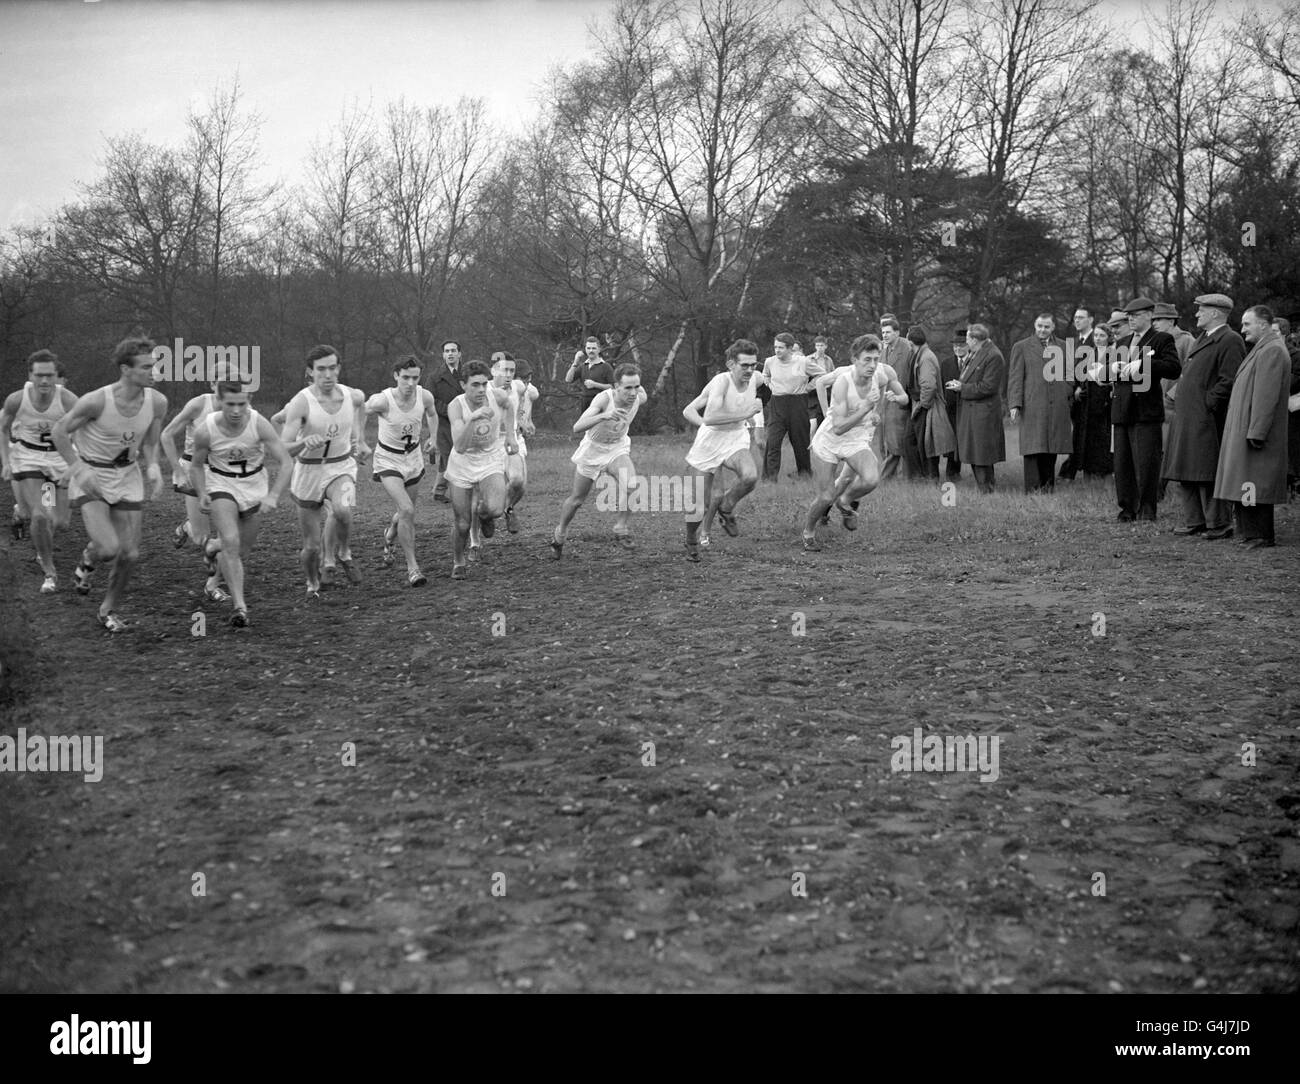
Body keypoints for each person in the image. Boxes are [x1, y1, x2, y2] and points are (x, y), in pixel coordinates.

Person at [51, 337, 167, 633]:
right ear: (126, 369)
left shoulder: (157, 401)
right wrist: (78, 469)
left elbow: (152, 442)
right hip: (93, 475)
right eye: (147, 367)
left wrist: (153, 466)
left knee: (129, 553)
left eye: (154, 365)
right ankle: (90, 556)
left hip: (128, 476)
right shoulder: (96, 401)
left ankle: (108, 610)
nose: (154, 371)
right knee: (107, 548)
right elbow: (59, 431)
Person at [188, 382, 294, 627]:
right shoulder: (206, 430)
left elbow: (286, 462)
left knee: (239, 551)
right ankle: (239, 607)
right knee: (232, 542)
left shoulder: (258, 423)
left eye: (242, 404)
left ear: (249, 401)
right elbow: (195, 465)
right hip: (221, 485)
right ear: (219, 401)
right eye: (230, 404)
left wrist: (274, 495)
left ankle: (214, 547)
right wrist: (202, 492)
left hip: (254, 486)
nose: (236, 410)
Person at [801, 334, 908, 551]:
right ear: (854, 359)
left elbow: (892, 393)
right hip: (830, 440)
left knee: (871, 478)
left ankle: (845, 502)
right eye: (867, 359)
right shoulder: (843, 381)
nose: (872, 365)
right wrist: (866, 408)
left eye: (876, 359)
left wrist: (877, 412)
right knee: (826, 496)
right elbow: (839, 427)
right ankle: (808, 531)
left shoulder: (881, 374)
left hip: (856, 439)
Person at [280, 345, 369, 597]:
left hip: (341, 465)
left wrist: (360, 439)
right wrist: (302, 442)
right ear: (310, 372)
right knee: (311, 547)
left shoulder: (352, 395)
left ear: (339, 369)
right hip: (309, 471)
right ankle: (312, 583)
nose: (327, 375)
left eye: (332, 368)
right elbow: (282, 448)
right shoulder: (302, 402)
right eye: (321, 369)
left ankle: (344, 553)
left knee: (343, 510)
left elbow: (362, 406)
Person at [1161, 294, 1245, 538]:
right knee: (1185, 469)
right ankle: (1194, 520)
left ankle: (1218, 523)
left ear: (1216, 313)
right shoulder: (1203, 338)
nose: (1197, 314)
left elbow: (1229, 379)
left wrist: (1208, 404)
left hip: (1206, 418)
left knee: (1207, 471)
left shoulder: (1230, 339)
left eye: (1202, 310)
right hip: (1188, 416)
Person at [1213, 305, 1290, 548]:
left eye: (1247, 324)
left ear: (1264, 324)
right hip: (1246, 429)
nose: (1242, 328)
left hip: (1255, 432)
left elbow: (1266, 397)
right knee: (1246, 482)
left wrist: (1256, 431)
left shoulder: (1272, 351)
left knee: (1252, 484)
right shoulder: (1264, 348)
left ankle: (1260, 534)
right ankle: (1249, 532)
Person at [0, 350, 78, 592]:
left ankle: (39, 534)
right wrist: (5, 461)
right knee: (40, 515)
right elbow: (2, 429)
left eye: (50, 375)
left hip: (57, 460)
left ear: (57, 375)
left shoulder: (68, 400)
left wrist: (80, 462)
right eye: (39, 375)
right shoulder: (16, 399)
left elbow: (87, 428)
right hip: (28, 458)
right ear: (30, 375)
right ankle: (49, 571)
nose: (45, 381)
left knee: (60, 521)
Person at [550, 363, 645, 560]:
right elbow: (577, 427)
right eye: (628, 387)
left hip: (616, 448)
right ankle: (560, 532)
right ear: (616, 386)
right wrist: (605, 415)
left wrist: (637, 392)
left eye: (636, 386)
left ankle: (621, 526)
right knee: (577, 500)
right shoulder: (604, 399)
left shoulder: (639, 397)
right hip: (593, 450)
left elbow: (640, 395)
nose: (633, 392)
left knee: (633, 485)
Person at [682, 340, 766, 561]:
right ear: (731, 364)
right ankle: (691, 538)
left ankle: (727, 508)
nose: (750, 370)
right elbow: (708, 417)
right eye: (744, 365)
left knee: (750, 476)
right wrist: (747, 413)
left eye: (753, 365)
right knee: (701, 505)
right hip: (709, 443)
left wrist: (758, 413)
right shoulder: (721, 382)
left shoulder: (756, 379)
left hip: (735, 438)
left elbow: (768, 389)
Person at [365, 355, 438, 587]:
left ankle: (389, 535)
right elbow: (359, 411)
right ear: (396, 375)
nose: (410, 383)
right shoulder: (382, 401)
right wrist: (358, 440)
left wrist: (434, 437)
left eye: (415, 378)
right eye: (405, 377)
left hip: (413, 458)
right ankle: (413, 568)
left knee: (406, 511)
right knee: (406, 509)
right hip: (388, 460)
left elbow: (432, 413)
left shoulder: (424, 396)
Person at [1110, 297, 1181, 522]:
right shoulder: (1122, 343)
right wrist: (1109, 370)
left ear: (1150, 315)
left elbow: (1173, 369)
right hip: (1122, 409)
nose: (1131, 319)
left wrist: (1144, 364)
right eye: (1128, 316)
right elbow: (1110, 375)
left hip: (1145, 410)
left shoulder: (1161, 339)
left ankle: (1147, 508)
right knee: (1123, 465)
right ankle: (1127, 508)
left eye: (1136, 315)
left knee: (1146, 463)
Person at [160, 376, 231, 601]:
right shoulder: (198, 405)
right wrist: (178, 471)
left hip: (222, 472)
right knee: (202, 538)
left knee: (228, 535)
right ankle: (189, 527)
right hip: (194, 470)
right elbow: (167, 435)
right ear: (212, 385)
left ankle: (212, 585)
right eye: (222, 381)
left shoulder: (240, 406)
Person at [445, 360, 517, 578]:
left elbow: (510, 406)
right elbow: (459, 446)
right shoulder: (456, 406)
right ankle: (458, 561)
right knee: (463, 523)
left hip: (489, 457)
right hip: (462, 463)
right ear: (463, 384)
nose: (481, 390)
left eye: (484, 384)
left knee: (495, 509)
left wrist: (511, 435)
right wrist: (472, 420)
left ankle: (484, 515)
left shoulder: (497, 396)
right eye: (475, 385)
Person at [1008, 313, 1073, 493]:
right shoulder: (1021, 347)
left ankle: (1047, 488)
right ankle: (1032, 490)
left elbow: (1070, 375)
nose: (1042, 330)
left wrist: (1065, 391)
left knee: (1051, 447)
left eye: (1046, 327)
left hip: (1056, 406)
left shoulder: (1064, 346)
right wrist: (1015, 404)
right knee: (1033, 447)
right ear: (1034, 326)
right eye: (1039, 326)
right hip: (1033, 406)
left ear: (1053, 328)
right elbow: (1015, 377)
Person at [947, 323, 1006, 493]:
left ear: (974, 339)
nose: (965, 341)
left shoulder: (993, 355)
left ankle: (987, 490)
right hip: (971, 412)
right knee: (975, 453)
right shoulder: (977, 352)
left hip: (983, 413)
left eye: (967, 339)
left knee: (982, 454)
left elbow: (988, 387)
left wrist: (962, 388)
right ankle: (985, 489)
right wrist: (959, 383)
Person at [761, 333, 825, 480]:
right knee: (773, 441)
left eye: (781, 348)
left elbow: (822, 374)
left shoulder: (803, 362)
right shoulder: (770, 362)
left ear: (790, 349)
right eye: (775, 347)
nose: (777, 350)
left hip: (798, 403)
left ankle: (804, 474)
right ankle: (770, 479)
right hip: (777, 403)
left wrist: (808, 387)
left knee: (800, 441)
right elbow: (765, 374)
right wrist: (769, 383)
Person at [1152, 301, 1194, 502]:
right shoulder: (1156, 339)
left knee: (1168, 447)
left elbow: (1192, 372)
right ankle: (1155, 488)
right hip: (1155, 401)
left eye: (1158, 319)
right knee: (1157, 447)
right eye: (1153, 320)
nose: (1155, 323)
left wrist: (1173, 394)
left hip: (1173, 404)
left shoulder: (1186, 341)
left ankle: (1159, 489)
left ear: (1171, 320)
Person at [490, 353, 536, 534]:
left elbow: (525, 400)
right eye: (504, 370)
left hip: (513, 439)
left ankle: (505, 509)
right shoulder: (485, 389)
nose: (508, 374)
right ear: (493, 371)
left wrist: (524, 420)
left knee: (519, 483)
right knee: (482, 495)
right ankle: (476, 540)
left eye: (511, 371)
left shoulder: (518, 386)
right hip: (491, 443)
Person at [1059, 306, 1101, 480]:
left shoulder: (1096, 340)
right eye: (1075, 317)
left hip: (1091, 395)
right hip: (1075, 398)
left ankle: (1082, 471)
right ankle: (1071, 470)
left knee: (1090, 435)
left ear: (1090, 320)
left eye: (1081, 317)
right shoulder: (1074, 342)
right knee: (1077, 434)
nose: (1077, 320)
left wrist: (1081, 388)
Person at [1072, 321, 1115, 478]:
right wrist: (1079, 388)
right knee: (1088, 436)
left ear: (1108, 337)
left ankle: (1104, 471)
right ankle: (1089, 471)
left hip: (1105, 401)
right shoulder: (1090, 353)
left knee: (1103, 437)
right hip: (1089, 401)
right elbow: (1082, 375)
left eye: (1102, 335)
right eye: (1096, 335)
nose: (1097, 338)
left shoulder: (1113, 353)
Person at [877, 316, 914, 480]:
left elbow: (911, 374)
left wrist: (903, 396)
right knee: (887, 440)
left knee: (898, 441)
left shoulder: (906, 348)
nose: (885, 335)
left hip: (901, 400)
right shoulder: (883, 350)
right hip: (885, 401)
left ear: (897, 332)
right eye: (883, 332)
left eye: (888, 332)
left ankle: (888, 477)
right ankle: (894, 476)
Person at [903, 325, 943, 480]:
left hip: (925, 406)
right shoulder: (921, 354)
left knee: (926, 444)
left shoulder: (925, 357)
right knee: (912, 442)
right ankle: (919, 477)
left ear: (911, 342)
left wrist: (922, 406)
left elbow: (928, 386)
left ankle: (929, 477)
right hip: (920, 404)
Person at [429, 340, 465, 503]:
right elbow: (430, 401)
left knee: (463, 454)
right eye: (447, 351)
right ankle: (440, 491)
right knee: (447, 455)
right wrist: (449, 411)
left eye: (453, 350)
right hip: (443, 423)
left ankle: (459, 488)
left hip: (466, 422)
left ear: (459, 354)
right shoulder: (435, 377)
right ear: (443, 355)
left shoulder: (467, 374)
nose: (450, 353)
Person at [509, 358, 541, 532]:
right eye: (523, 380)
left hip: (518, 439)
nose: (526, 384)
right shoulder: (505, 391)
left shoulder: (530, 391)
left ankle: (508, 508)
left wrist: (529, 421)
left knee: (521, 486)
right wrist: (518, 421)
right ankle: (493, 508)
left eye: (529, 380)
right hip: (502, 440)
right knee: (513, 479)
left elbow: (527, 408)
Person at [939, 330, 966, 480]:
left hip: (968, 407)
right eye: (955, 346)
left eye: (961, 345)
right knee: (952, 442)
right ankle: (952, 473)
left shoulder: (972, 362)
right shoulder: (946, 364)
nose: (958, 349)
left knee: (967, 441)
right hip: (950, 409)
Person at [566, 336, 614, 417]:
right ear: (585, 349)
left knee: (597, 429)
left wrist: (595, 384)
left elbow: (613, 387)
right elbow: (568, 379)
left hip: (601, 403)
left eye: (593, 348)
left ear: (599, 349)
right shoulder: (583, 366)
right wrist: (575, 362)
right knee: (585, 428)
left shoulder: (606, 366)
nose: (591, 351)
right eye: (588, 348)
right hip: (585, 404)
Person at [806, 336, 834, 437]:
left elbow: (832, 375)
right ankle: (809, 444)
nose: (819, 348)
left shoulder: (828, 360)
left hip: (826, 393)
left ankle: (821, 446)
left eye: (821, 345)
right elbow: (804, 377)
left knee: (825, 421)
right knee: (813, 423)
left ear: (825, 346)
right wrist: (808, 388)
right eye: (817, 345)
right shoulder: (809, 359)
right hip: (812, 393)